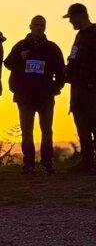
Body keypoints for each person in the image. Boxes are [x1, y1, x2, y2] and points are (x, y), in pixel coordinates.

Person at [3, 15, 65, 174]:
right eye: (36, 25)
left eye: (42, 25)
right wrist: (20, 57)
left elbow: (61, 72)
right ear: (30, 26)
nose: (39, 28)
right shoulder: (21, 46)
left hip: (45, 97)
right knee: (27, 131)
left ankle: (47, 162)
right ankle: (28, 163)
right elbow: (8, 63)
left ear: (45, 28)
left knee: (47, 130)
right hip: (25, 97)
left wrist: (55, 89)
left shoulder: (52, 48)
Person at [63, 3, 96, 173]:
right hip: (77, 86)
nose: (70, 22)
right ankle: (87, 160)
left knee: (94, 122)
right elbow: (74, 57)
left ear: (80, 16)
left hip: (90, 87)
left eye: (71, 18)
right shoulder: (79, 36)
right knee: (81, 123)